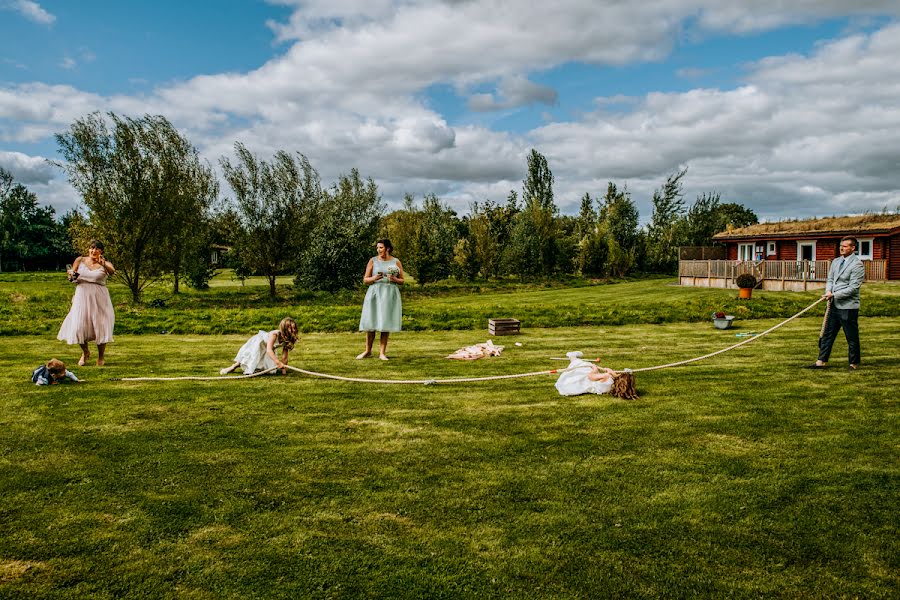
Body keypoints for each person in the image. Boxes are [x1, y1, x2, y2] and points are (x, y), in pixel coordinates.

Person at [806, 236, 866, 371]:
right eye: (841, 245)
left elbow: (853, 288)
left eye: (845, 246)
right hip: (833, 305)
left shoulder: (857, 265)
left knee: (851, 336)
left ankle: (853, 363)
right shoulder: (836, 261)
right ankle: (821, 362)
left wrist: (835, 294)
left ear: (852, 248)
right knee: (828, 334)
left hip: (848, 306)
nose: (841, 248)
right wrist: (828, 291)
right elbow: (830, 279)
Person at [57, 240, 116, 366]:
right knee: (79, 325)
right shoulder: (80, 260)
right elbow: (72, 277)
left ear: (101, 252)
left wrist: (103, 263)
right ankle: (85, 352)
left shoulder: (105, 264)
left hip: (99, 298)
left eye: (97, 249)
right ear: (89, 249)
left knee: (100, 325)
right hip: (81, 296)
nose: (93, 251)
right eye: (92, 248)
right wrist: (70, 276)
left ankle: (101, 357)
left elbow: (112, 271)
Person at [357, 239, 404, 360]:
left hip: (389, 293)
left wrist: (394, 279)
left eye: (381, 248)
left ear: (387, 248)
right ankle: (367, 351)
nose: (378, 250)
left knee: (385, 322)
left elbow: (402, 280)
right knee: (371, 321)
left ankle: (382, 353)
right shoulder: (373, 261)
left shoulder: (396, 262)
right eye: (377, 248)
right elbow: (365, 280)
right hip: (375, 293)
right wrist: (374, 278)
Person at [220, 317, 299, 375]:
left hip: (270, 348)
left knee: (263, 366)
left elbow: (284, 356)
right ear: (284, 328)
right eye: (291, 328)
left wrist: (283, 371)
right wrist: (277, 362)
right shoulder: (275, 334)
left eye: (294, 328)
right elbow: (269, 350)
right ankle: (233, 367)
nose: (294, 330)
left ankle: (255, 369)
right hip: (259, 343)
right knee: (248, 358)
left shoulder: (288, 339)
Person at [555, 352, 638, 399]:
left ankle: (572, 356)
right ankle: (573, 358)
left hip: (583, 382)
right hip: (585, 387)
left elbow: (590, 376)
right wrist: (611, 372)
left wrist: (595, 369)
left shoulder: (607, 377)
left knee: (584, 365)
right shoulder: (612, 386)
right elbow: (615, 377)